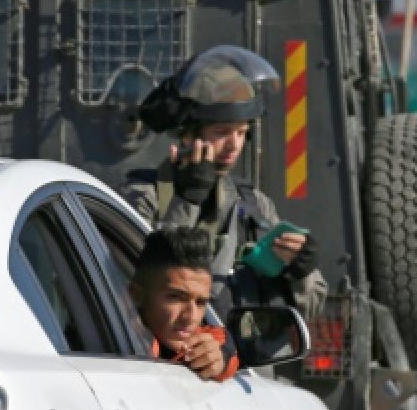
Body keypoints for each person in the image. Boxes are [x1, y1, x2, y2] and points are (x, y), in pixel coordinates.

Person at [126, 45, 327, 321]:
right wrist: (186, 201)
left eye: (242, 132)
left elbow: (310, 311)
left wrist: (300, 271)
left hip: (244, 363)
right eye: (221, 132)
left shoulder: (253, 204)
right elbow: (139, 290)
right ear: (187, 136)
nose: (234, 145)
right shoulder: (144, 197)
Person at [129, 225, 239, 381]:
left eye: (200, 302)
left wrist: (220, 358)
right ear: (137, 295)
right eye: (176, 297)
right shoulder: (117, 339)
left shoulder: (199, 346)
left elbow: (221, 339)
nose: (191, 317)